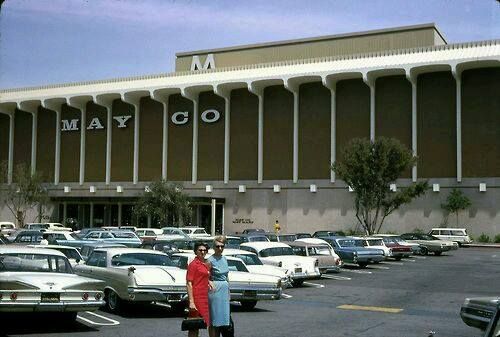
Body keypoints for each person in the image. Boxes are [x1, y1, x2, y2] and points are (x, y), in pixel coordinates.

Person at [186, 242, 211, 337]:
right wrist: (191, 301)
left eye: (205, 250)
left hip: (204, 298)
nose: (203, 252)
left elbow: (203, 277)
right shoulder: (193, 264)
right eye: (200, 250)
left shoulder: (205, 264)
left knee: (201, 324)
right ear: (196, 251)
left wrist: (209, 281)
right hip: (196, 298)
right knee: (194, 325)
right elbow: (189, 283)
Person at [208, 236, 230, 337]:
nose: (220, 248)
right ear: (213, 247)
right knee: (215, 320)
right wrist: (210, 281)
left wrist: (229, 292)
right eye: (217, 246)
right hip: (215, 290)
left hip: (224, 290)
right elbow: (204, 276)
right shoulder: (209, 260)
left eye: (222, 246)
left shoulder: (224, 258)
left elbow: (226, 276)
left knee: (225, 319)